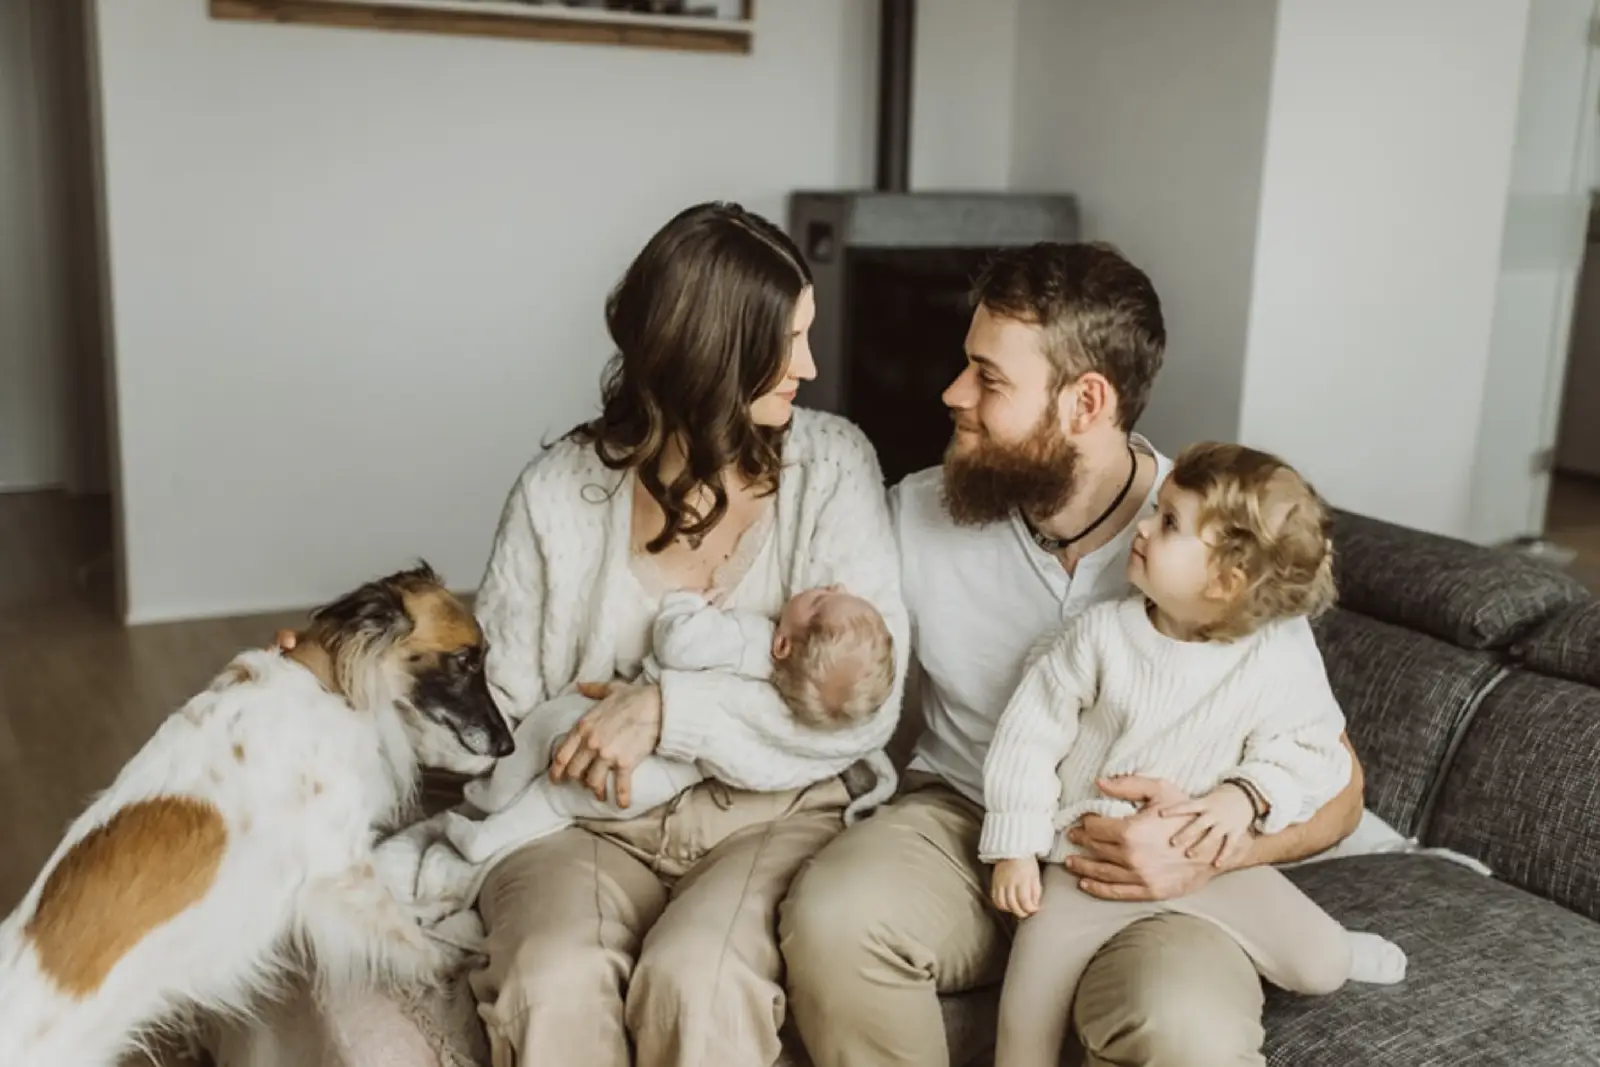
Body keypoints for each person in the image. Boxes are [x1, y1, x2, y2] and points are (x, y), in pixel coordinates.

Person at [276, 201, 909, 1067]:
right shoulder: (557, 494)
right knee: (549, 978)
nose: (810, 365)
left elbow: (868, 707)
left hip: (772, 810)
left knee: (697, 980)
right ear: (711, 354)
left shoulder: (832, 466)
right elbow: (497, 714)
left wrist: (668, 712)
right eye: (787, 341)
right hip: (581, 814)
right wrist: (344, 691)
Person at [778, 241, 1367, 1067]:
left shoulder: (1217, 546)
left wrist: (1207, 847)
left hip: (1144, 863)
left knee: (1188, 1027)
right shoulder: (914, 514)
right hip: (961, 819)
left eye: (989, 378)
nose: (953, 393)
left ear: (1086, 401)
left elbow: (1341, 789)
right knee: (836, 915)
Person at [983, 441, 1406, 1067]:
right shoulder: (1099, 637)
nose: (1143, 528)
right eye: (1156, 511)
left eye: (1169, 523)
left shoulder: (1275, 657)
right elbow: (1026, 738)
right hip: (1085, 866)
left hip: (1208, 863)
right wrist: (1015, 847)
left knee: (1319, 963)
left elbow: (1315, 751)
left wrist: (1245, 797)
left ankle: (1342, 949)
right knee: (1025, 1021)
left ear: (1226, 580)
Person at [405, 582, 896, 884]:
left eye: (821, 602)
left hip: (612, 744)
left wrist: (690, 606)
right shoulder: (784, 712)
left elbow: (678, 644)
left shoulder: (747, 639)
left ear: (783, 645)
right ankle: (487, 840)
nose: (828, 586)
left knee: (538, 738)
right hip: (647, 789)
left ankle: (487, 803)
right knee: (553, 805)